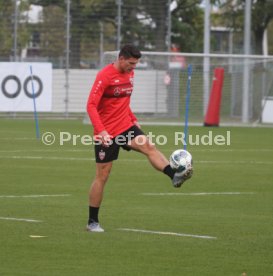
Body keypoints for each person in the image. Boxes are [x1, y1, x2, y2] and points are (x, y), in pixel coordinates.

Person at [86, 44, 192, 232]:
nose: (133, 67)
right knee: (102, 175)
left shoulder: (130, 75)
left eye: (135, 64)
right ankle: (92, 221)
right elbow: (91, 106)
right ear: (121, 58)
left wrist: (133, 120)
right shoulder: (104, 76)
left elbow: (124, 102)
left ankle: (174, 175)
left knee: (149, 147)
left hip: (126, 126)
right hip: (107, 133)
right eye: (131, 63)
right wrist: (101, 131)